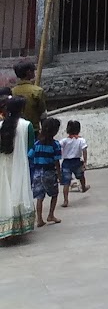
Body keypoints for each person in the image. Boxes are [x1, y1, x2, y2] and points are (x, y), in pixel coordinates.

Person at [0, 95, 33, 244]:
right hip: (19, 164)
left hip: (3, 164)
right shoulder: (27, 125)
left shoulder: (1, 125)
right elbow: (30, 149)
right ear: (22, 109)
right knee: (17, 193)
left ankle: (5, 230)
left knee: (4, 194)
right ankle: (16, 229)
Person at [28, 115, 61, 227]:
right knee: (54, 194)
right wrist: (59, 175)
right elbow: (56, 161)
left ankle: (39, 219)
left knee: (39, 197)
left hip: (37, 172)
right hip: (49, 172)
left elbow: (30, 156)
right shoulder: (55, 144)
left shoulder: (36, 144)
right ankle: (51, 214)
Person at [60, 118, 89, 203]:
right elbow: (84, 151)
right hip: (77, 162)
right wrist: (85, 161)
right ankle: (83, 187)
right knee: (81, 176)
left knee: (66, 182)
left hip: (66, 162)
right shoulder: (81, 140)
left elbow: (58, 147)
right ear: (79, 130)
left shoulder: (64, 141)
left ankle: (65, 200)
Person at [10, 61, 44, 131]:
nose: (34, 72)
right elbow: (43, 114)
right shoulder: (37, 91)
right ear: (28, 72)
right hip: (33, 130)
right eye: (33, 70)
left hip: (15, 130)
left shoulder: (12, 91)